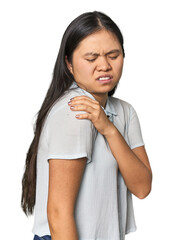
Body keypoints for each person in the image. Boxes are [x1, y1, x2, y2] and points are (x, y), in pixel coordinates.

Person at [21, 11, 152, 240]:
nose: (104, 66)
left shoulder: (124, 112)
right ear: (69, 64)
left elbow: (142, 187)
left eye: (113, 55)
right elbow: (58, 213)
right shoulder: (75, 110)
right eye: (91, 58)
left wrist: (109, 129)